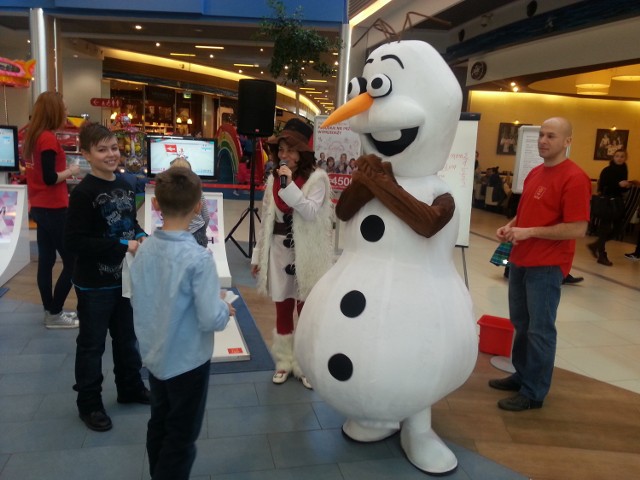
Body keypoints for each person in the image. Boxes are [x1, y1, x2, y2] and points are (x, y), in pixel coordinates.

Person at [130, 166, 234, 480]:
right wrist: (223, 310)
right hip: (188, 362)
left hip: (155, 355)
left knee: (159, 422)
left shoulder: (144, 248)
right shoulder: (199, 259)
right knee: (182, 436)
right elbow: (209, 318)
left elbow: (140, 297)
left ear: (156, 205)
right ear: (199, 206)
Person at [490, 117, 591, 412]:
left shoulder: (574, 178)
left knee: (540, 330)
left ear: (567, 141)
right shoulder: (536, 172)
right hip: (521, 259)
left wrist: (529, 232)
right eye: (542, 135)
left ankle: (534, 392)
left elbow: (577, 229)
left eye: (552, 136)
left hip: (547, 267)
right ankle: (522, 375)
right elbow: (527, 214)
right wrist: (510, 227)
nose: (544, 141)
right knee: (522, 324)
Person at [64, 123, 149, 432]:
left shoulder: (126, 184)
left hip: (125, 281)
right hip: (94, 285)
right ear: (86, 154)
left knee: (127, 338)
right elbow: (74, 242)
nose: (111, 154)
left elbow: (131, 223)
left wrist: (142, 236)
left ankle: (130, 387)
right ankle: (88, 403)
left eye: (114, 147)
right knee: (91, 345)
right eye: (102, 149)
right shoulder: (83, 193)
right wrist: (123, 245)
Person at [250, 118, 334, 389]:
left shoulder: (317, 179)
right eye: (281, 149)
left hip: (306, 253)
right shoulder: (274, 179)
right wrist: (257, 256)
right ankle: (284, 361)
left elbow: (309, 212)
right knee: (282, 306)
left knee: (305, 308)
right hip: (277, 251)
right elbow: (267, 218)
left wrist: (288, 187)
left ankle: (304, 363)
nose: (284, 155)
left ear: (303, 153)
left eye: (290, 150)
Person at [23, 91, 81, 329]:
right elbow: (49, 178)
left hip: (40, 206)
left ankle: (51, 311)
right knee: (72, 261)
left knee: (46, 260)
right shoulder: (47, 139)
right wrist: (71, 171)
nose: (67, 113)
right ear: (54, 111)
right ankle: (55, 311)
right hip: (53, 208)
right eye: (64, 108)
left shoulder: (33, 137)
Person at [587, 149, 632, 266]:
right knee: (604, 228)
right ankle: (602, 255)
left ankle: (595, 245)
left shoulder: (624, 169)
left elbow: (621, 189)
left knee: (618, 228)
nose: (619, 158)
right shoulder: (607, 170)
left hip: (617, 202)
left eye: (622, 156)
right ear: (613, 157)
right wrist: (618, 184)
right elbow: (602, 186)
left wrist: (626, 186)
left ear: (625, 158)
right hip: (607, 202)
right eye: (617, 156)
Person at [169, 157, 210, 247]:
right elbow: (206, 216)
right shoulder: (198, 191)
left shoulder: (168, 193)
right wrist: (202, 230)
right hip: (198, 233)